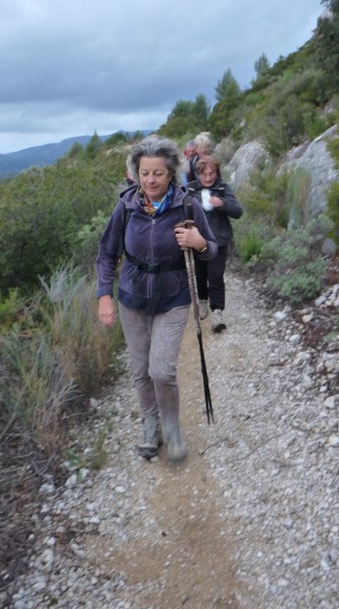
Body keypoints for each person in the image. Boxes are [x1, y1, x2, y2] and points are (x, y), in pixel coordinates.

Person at [96, 136, 218, 463]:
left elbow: (213, 249)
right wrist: (104, 296)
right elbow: (107, 254)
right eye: (144, 173)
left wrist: (198, 242)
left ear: (171, 174)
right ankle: (150, 424)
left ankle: (171, 426)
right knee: (140, 370)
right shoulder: (126, 207)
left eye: (158, 173)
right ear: (136, 173)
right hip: (131, 300)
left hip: (174, 298)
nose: (150, 180)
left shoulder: (187, 205)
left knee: (161, 370)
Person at [187, 155, 243, 333]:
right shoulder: (190, 189)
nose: (209, 177)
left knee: (216, 276)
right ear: (198, 174)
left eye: (212, 173)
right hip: (198, 241)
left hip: (219, 241)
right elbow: (181, 211)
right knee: (201, 275)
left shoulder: (222, 188)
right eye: (205, 174)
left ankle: (217, 311)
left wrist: (222, 203)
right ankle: (202, 301)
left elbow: (238, 211)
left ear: (216, 172)